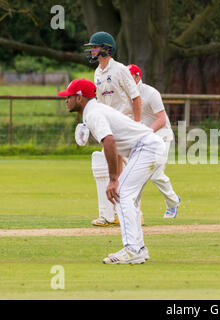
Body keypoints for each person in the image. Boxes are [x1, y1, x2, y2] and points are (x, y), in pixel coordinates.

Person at [59, 78, 166, 264]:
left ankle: (132, 249)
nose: (65, 100)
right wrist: (115, 177)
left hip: (147, 148)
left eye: (68, 97)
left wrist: (113, 179)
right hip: (148, 148)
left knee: (121, 193)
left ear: (79, 98)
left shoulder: (94, 113)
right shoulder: (93, 111)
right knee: (126, 196)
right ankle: (138, 248)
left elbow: (109, 142)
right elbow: (113, 142)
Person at [84, 31, 142, 227]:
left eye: (95, 47)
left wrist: (136, 124)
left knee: (128, 171)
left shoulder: (120, 70)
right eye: (91, 47)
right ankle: (108, 214)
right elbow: (99, 103)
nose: (92, 50)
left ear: (106, 49)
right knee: (104, 166)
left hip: (125, 125)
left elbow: (136, 98)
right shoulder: (97, 73)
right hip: (109, 126)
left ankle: (135, 214)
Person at [127, 64, 180, 221]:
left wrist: (146, 133)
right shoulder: (124, 93)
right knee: (136, 175)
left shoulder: (150, 93)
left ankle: (173, 202)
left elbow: (162, 120)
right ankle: (133, 212)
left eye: (129, 77)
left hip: (161, 136)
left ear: (137, 77)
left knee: (156, 175)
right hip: (141, 138)